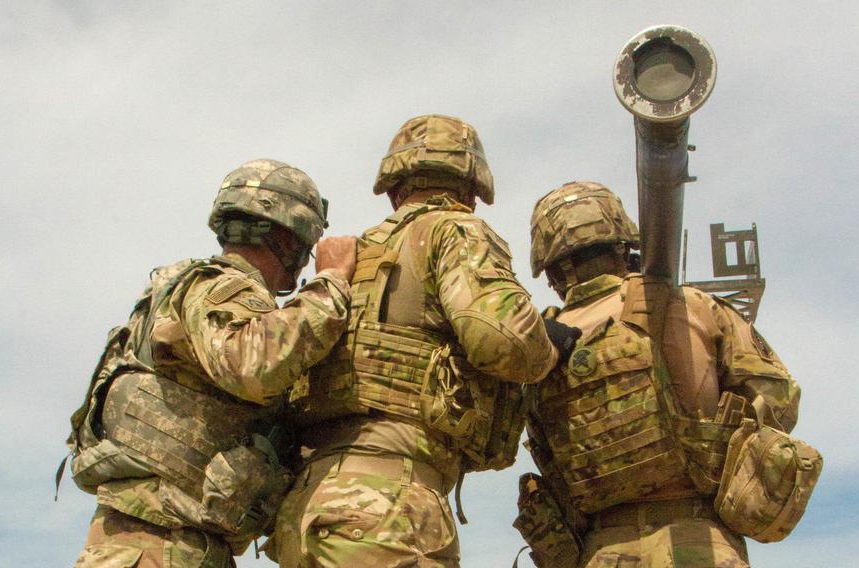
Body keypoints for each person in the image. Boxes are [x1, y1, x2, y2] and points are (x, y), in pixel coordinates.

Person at [266, 114, 571, 567]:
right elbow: (504, 341)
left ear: (393, 189)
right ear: (471, 191)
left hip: (309, 508)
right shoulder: (455, 229)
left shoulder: (349, 263)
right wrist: (549, 347)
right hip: (386, 507)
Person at [65, 159, 357, 568]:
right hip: (159, 544)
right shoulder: (223, 286)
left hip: (167, 543)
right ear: (291, 238)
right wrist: (332, 282)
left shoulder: (195, 288)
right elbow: (254, 365)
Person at [514, 181, 802, 568]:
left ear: (550, 269)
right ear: (622, 245)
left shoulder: (539, 348)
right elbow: (781, 399)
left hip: (601, 550)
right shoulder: (694, 306)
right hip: (700, 539)